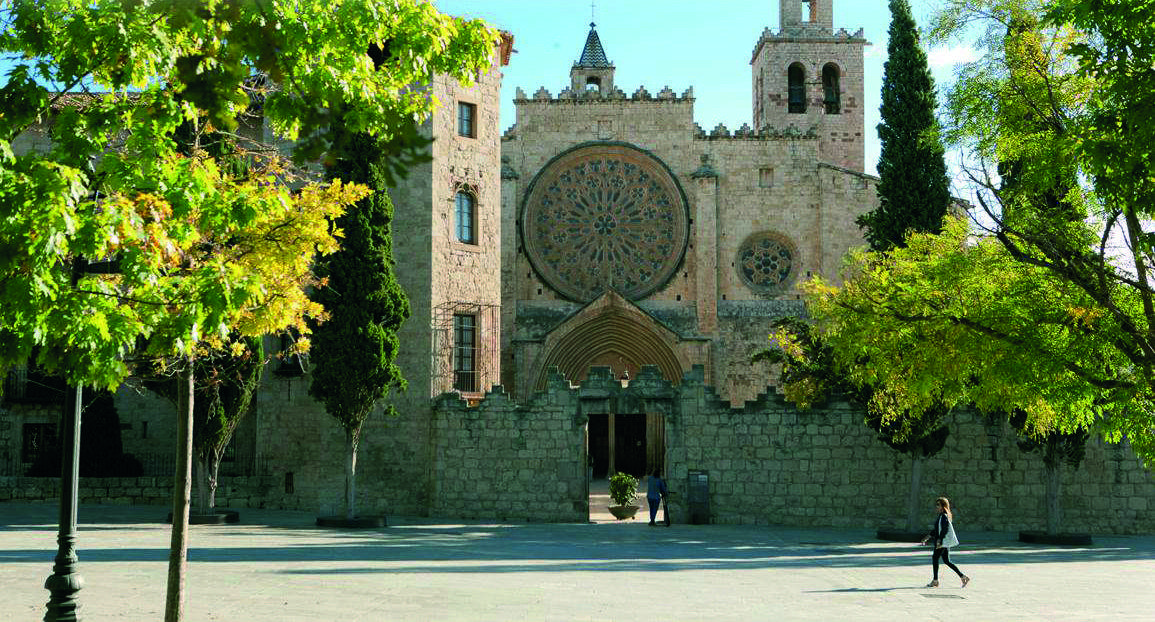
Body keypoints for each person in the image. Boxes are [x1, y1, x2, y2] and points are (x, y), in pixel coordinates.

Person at [919, 497, 970, 588]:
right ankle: (963, 577)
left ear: (943, 506)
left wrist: (939, 540)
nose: (936, 506)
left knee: (935, 558)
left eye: (938, 505)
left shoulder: (943, 516)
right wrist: (928, 537)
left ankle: (935, 581)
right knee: (947, 561)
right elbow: (937, 530)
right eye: (936, 504)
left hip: (942, 542)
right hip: (944, 542)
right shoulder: (942, 516)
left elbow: (944, 530)